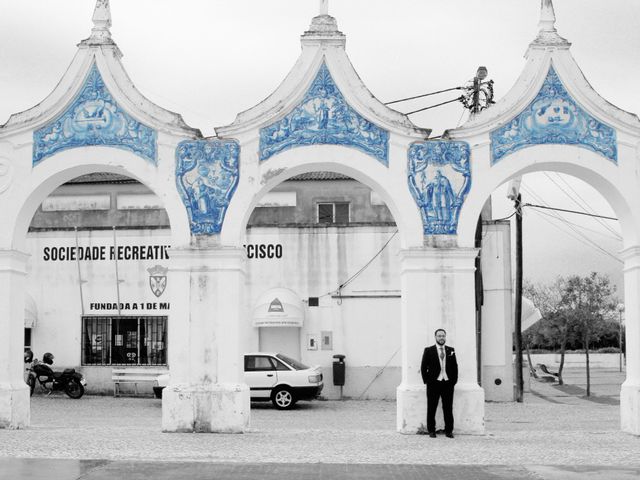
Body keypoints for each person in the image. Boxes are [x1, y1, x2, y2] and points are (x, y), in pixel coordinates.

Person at [421, 328, 458, 438]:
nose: (441, 338)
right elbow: (423, 367)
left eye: (443, 336)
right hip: (433, 384)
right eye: (439, 336)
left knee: (448, 408)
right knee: (431, 407)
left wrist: (453, 381)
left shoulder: (451, 350)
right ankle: (431, 430)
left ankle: (449, 431)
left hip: (447, 384)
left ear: (445, 337)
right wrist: (427, 381)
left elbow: (455, 367)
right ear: (435, 337)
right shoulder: (429, 350)